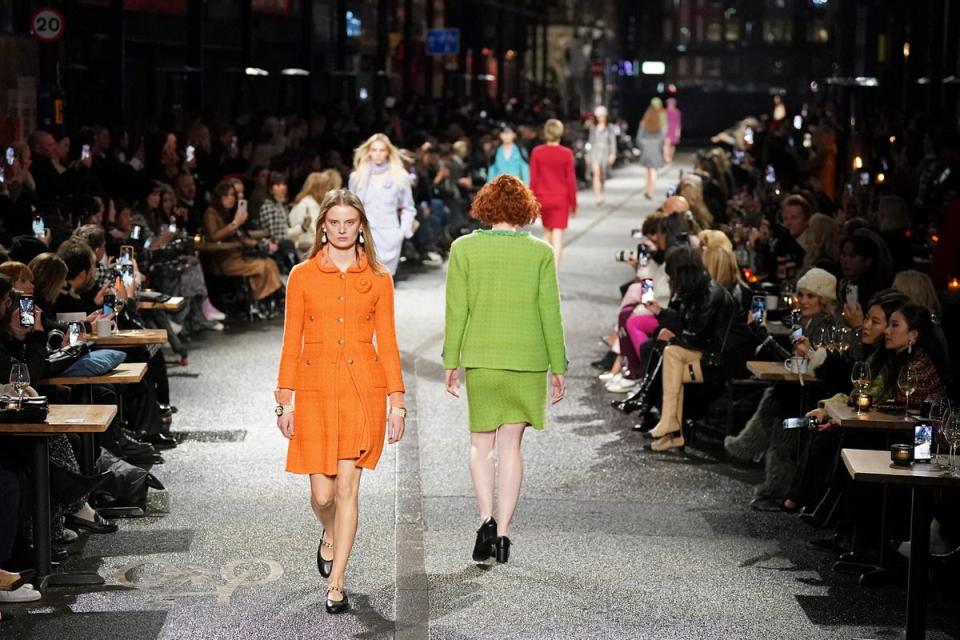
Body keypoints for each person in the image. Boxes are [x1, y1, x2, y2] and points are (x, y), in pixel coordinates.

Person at [275, 189, 406, 615]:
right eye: (335, 223)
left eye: (350, 222)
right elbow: (290, 340)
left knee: (348, 489)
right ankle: (328, 532)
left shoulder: (379, 278)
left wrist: (397, 402)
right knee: (323, 495)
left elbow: (387, 343)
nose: (343, 229)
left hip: (360, 391)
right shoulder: (302, 275)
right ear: (324, 227)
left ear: (361, 226)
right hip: (313, 390)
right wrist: (284, 401)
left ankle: (338, 581)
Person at [443, 175, 567, 565]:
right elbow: (551, 313)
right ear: (525, 210)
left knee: (482, 447)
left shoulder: (464, 249)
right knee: (511, 447)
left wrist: (451, 362)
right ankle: (505, 536)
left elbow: (455, 310)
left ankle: (485, 520)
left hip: (483, 358)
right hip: (527, 361)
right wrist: (558, 367)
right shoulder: (541, 253)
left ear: (485, 207)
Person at [641, 246, 749, 452]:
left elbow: (697, 336)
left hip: (720, 358)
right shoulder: (696, 291)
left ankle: (672, 426)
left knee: (668, 358)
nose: (669, 279)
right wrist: (662, 312)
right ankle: (671, 426)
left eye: (671, 274)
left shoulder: (710, 293)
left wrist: (674, 337)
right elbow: (686, 324)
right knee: (667, 353)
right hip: (707, 352)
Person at [202, 181, 283, 312]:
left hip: (238, 256)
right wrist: (235, 223)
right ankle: (262, 299)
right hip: (224, 260)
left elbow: (241, 237)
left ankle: (265, 299)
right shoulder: (211, 214)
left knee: (269, 263)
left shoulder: (228, 213)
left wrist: (258, 243)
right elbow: (213, 236)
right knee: (264, 266)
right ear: (219, 197)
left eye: (233, 195)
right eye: (226, 196)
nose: (231, 199)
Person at [348, 133, 416, 275]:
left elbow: (408, 207)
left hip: (390, 234)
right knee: (364, 279)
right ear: (368, 152)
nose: (378, 154)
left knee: (385, 281)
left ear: (388, 152)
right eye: (374, 150)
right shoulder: (356, 177)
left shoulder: (400, 176)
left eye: (382, 150)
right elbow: (350, 207)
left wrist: (402, 232)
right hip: (364, 234)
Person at [529, 119, 577, 267]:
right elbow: (571, 180)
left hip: (543, 199)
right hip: (561, 200)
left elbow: (534, 179)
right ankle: (554, 272)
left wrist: (531, 202)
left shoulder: (537, 152)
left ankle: (545, 269)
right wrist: (573, 203)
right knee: (558, 238)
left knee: (547, 235)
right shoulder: (566, 153)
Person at [288, 170, 342, 259]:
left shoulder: (317, 205)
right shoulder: (304, 205)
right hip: (306, 250)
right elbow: (293, 233)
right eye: (326, 188)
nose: (327, 192)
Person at [587, 106, 617, 205]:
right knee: (596, 173)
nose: (601, 118)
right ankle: (598, 196)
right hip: (595, 151)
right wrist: (588, 154)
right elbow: (590, 142)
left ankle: (602, 192)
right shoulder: (593, 128)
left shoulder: (610, 128)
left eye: (602, 116)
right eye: (599, 116)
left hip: (605, 151)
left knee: (602, 175)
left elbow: (613, 141)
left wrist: (613, 153)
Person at [637, 98, 666, 199]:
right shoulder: (659, 123)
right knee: (654, 169)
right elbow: (662, 136)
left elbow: (639, 137)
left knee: (647, 170)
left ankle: (647, 189)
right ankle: (651, 191)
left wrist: (643, 145)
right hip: (655, 147)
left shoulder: (643, 122)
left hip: (646, 147)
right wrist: (659, 146)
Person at [664, 97, 682, 164]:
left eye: (672, 103)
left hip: (674, 130)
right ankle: (667, 158)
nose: (670, 105)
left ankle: (670, 157)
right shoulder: (665, 111)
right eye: (669, 103)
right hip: (667, 129)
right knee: (666, 144)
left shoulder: (677, 112)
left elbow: (678, 123)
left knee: (672, 145)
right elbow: (663, 122)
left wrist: (678, 132)